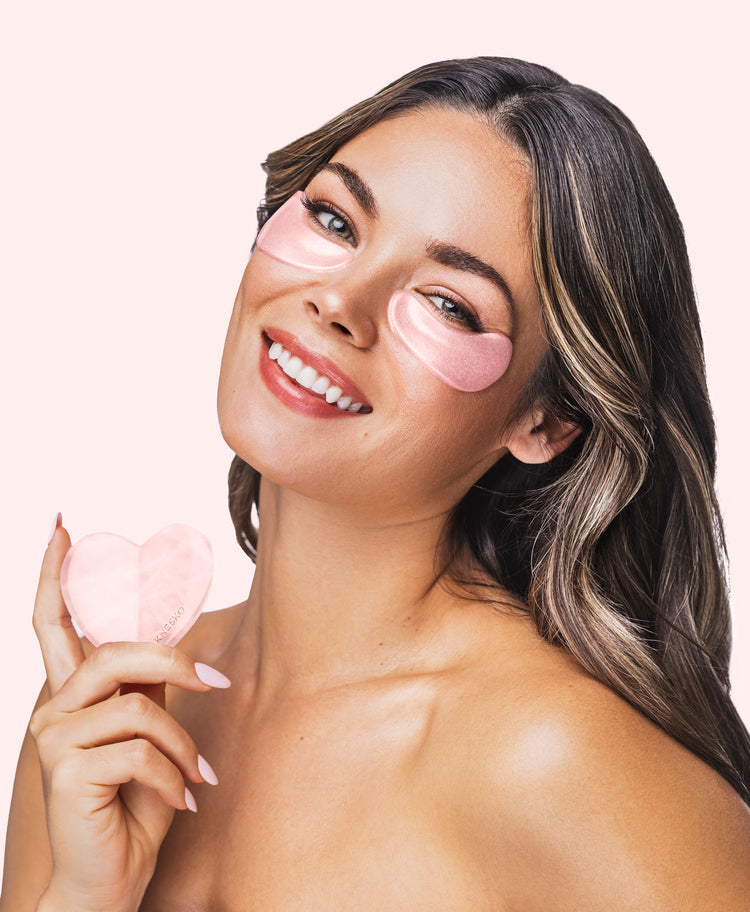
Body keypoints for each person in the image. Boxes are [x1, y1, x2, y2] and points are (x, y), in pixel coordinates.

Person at [2, 56, 750, 911]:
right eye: (334, 217)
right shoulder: (108, 712)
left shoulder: (562, 763)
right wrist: (86, 896)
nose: (339, 299)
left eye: (450, 304)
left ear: (544, 422)